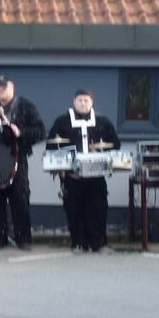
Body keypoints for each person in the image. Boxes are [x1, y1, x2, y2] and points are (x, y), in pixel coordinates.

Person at [46, 89, 121, 253]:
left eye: (86, 100)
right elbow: (51, 145)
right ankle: (78, 243)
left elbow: (115, 144)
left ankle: (99, 243)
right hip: (72, 175)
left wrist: (102, 154)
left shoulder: (102, 121)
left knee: (98, 209)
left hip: (96, 175)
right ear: (74, 102)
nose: (83, 103)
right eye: (80, 100)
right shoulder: (62, 121)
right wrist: (60, 168)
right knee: (74, 209)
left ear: (91, 102)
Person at [0, 75, 45, 250]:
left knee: (19, 198)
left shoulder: (25, 106)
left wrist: (20, 133)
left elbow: (40, 131)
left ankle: (24, 239)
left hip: (17, 158)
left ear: (12, 88)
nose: (0, 90)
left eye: (4, 87)